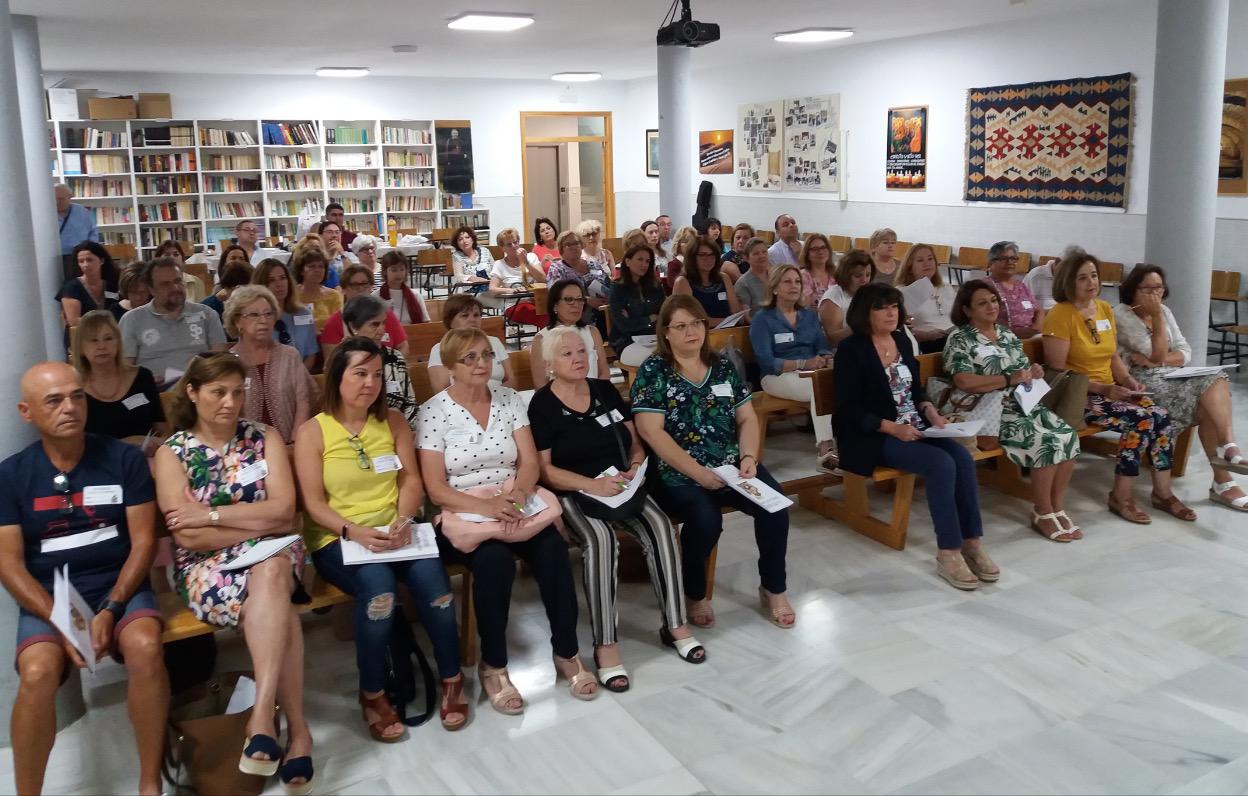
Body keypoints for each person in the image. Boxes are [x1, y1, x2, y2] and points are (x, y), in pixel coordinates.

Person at [0, 362, 168, 796]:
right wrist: (62, 620)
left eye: (76, 396)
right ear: (26, 412)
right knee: (37, 672)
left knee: (146, 648)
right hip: (50, 597)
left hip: (120, 585)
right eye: (53, 400)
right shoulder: (10, 476)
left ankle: (150, 783)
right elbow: (9, 565)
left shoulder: (123, 459)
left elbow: (144, 543)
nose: (70, 407)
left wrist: (112, 607)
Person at [152, 354, 312, 791]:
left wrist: (210, 515)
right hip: (206, 569)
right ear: (192, 393)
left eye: (238, 392)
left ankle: (262, 715)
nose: (230, 402)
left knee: (274, 569)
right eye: (218, 392)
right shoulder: (172, 454)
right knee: (279, 598)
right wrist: (248, 522)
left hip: (273, 552)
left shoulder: (265, 437)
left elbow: (285, 514)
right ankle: (296, 732)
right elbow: (189, 541)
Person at [418, 328, 598, 713]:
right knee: (494, 562)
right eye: (470, 358)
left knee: (552, 550)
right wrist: (486, 508)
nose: (482, 364)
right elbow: (435, 489)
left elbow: (529, 461)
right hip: (464, 511)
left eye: (485, 355)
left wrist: (517, 495)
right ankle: (494, 665)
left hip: (513, 500)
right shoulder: (434, 412)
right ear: (450, 366)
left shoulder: (508, 399)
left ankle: (567, 653)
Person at [294, 338, 466, 737]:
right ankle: (373, 692)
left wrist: (404, 519)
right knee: (380, 592)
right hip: (339, 538)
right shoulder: (313, 432)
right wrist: (353, 530)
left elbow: (410, 479)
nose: (370, 383)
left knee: (437, 589)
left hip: (397, 530)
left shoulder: (392, 421)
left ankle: (452, 679)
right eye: (359, 373)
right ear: (337, 377)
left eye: (376, 375)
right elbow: (313, 504)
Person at [529, 326, 705, 690]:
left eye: (582, 351)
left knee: (661, 527)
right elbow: (545, 469)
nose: (579, 358)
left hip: (622, 484)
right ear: (549, 364)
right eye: (567, 354)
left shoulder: (604, 390)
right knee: (600, 542)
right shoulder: (542, 404)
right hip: (575, 490)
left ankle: (675, 625)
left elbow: (635, 440)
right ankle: (606, 644)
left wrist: (637, 464)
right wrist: (592, 484)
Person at [632, 295, 795, 630]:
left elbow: (747, 419)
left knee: (776, 509)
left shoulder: (721, 366)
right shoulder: (654, 371)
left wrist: (749, 457)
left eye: (696, 323)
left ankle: (773, 588)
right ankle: (695, 593)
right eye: (681, 326)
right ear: (666, 333)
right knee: (705, 520)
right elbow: (652, 433)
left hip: (731, 465)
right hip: (676, 471)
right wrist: (699, 474)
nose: (692, 331)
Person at [833, 283, 997, 590]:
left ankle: (972, 541)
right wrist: (893, 427)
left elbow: (915, 389)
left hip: (915, 425)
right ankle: (948, 551)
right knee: (940, 464)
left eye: (894, 306)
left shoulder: (901, 340)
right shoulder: (851, 350)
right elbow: (850, 409)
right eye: (882, 307)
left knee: (962, 457)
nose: (891, 313)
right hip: (874, 434)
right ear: (864, 313)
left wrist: (930, 411)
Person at [1042, 251, 1191, 524]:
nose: (1091, 283)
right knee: (1141, 420)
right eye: (1082, 278)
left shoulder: (1103, 309)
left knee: (1161, 415)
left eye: (1094, 275)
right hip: (1079, 396)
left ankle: (1163, 492)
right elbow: (1058, 371)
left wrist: (1127, 381)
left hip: (1110, 390)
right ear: (1068, 281)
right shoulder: (1060, 314)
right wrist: (1103, 389)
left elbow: (1111, 356)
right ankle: (1121, 497)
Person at [943, 280, 1083, 541]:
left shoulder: (1006, 334)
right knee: (1048, 442)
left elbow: (1022, 370)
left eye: (994, 301)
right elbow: (963, 381)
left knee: (1068, 435)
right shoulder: (960, 337)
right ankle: (1042, 511)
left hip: (1022, 402)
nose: (991, 307)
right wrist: (1009, 379)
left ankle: (1056, 506)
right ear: (967, 310)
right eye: (982, 303)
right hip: (990, 411)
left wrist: (1033, 372)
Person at [1114, 264, 1248, 511]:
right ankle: (1224, 481)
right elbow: (1155, 351)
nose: (1156, 294)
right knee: (1207, 398)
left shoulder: (1164, 311)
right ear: (1133, 290)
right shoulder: (1122, 314)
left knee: (1216, 378)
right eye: (1148, 289)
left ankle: (1229, 449)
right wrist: (1158, 338)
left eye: (1159, 288)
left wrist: (1161, 358)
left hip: (1169, 373)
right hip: (1142, 382)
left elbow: (1185, 352)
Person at [749, 264, 837, 471]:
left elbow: (822, 346)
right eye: (787, 281)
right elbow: (766, 361)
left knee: (837, 382)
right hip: (776, 376)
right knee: (820, 388)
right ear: (775, 288)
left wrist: (825, 358)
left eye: (797, 281)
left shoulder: (808, 316)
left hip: (810, 372)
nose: (794, 286)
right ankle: (826, 450)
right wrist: (802, 364)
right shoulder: (763, 319)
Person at [226, 286, 318, 445]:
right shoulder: (228, 362)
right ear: (237, 321)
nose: (263, 320)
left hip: (291, 443)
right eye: (254, 315)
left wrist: (295, 443)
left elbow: (304, 401)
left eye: (268, 314)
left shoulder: (290, 355)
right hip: (244, 452)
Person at [118, 257, 228, 389]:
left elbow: (220, 361)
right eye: (165, 284)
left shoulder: (207, 314)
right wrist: (143, 380)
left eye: (178, 281)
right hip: (155, 393)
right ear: (151, 289)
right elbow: (124, 369)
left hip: (198, 390)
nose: (175, 287)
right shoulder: (132, 319)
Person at [75, 310, 167, 454]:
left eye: (108, 338)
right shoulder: (74, 388)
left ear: (118, 342)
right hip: (97, 466)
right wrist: (126, 444)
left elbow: (162, 430)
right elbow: (74, 444)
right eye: (93, 340)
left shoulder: (143, 376)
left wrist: (157, 445)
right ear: (81, 347)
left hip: (145, 461)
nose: (102, 346)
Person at [342, 295, 421, 431]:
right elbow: (342, 407)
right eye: (375, 324)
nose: (382, 330)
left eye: (384, 323)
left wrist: (404, 431)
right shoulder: (342, 359)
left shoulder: (394, 356)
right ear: (353, 326)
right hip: (358, 431)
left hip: (399, 429)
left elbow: (409, 402)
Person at [428, 294, 516, 393]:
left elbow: (510, 380)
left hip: (500, 400)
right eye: (465, 316)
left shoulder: (494, 342)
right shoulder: (439, 349)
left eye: (476, 315)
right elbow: (441, 390)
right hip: (460, 404)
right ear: (450, 321)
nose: (472, 320)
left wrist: (494, 399)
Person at [531, 280, 609, 386]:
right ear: (555, 305)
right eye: (569, 300)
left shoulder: (592, 332)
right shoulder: (541, 339)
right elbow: (540, 384)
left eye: (580, 299)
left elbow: (604, 372)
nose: (576, 305)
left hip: (593, 395)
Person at [320, 264, 408, 358]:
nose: (361, 289)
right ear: (344, 289)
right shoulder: (333, 323)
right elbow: (331, 361)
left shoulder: (386, 314)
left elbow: (403, 346)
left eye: (365, 284)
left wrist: (391, 365)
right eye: (354, 285)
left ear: (371, 287)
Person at [57, 241, 124, 349]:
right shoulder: (72, 287)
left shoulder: (112, 284)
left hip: (111, 338)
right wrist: (105, 322)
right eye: (81, 261)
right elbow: (73, 321)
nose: (85, 265)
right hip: (82, 340)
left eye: (89, 260)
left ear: (101, 260)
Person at [253, 258, 318, 369]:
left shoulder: (303, 313)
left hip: (300, 377)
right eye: (271, 280)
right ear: (261, 286)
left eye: (283, 278)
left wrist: (297, 377)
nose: (279, 284)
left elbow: (311, 354)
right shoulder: (253, 319)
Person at [609, 245, 666, 366]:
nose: (644, 265)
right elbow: (623, 324)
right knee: (653, 360)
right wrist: (650, 318)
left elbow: (664, 314)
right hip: (626, 341)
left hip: (654, 337)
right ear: (628, 261)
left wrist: (635, 319)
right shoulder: (618, 288)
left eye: (647, 261)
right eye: (640, 259)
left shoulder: (655, 287)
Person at [895, 243, 956, 353]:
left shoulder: (946, 287)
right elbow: (900, 330)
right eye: (920, 260)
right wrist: (926, 335)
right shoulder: (901, 292)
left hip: (953, 337)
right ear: (910, 267)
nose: (927, 263)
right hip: (927, 343)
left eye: (930, 259)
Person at [547, 231, 612, 331]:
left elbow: (608, 285)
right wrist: (588, 301)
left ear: (581, 245)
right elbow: (556, 296)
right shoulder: (557, 269)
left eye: (576, 243)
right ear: (561, 248)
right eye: (568, 244)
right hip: (572, 321)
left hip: (604, 315)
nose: (573, 247)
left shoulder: (593, 263)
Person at [672, 237, 742, 326]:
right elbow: (691, 319)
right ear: (692, 257)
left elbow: (735, 312)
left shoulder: (724, 278)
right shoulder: (682, 282)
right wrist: (727, 322)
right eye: (703, 255)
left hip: (728, 332)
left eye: (712, 254)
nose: (708, 259)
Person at [818, 249, 876, 348]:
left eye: (868, 275)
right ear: (846, 275)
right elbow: (832, 340)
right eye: (858, 276)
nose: (864, 280)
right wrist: (861, 326)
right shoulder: (833, 298)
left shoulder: (869, 294)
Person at [987, 240, 1044, 339]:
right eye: (1003, 259)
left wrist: (1036, 327)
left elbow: (1039, 310)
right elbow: (982, 322)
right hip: (1003, 339)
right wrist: (1018, 333)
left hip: (1031, 336)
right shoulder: (985, 287)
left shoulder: (1020, 285)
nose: (1010, 262)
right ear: (990, 263)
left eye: (1013, 258)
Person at [489, 228, 546, 327]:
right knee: (543, 317)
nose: (514, 246)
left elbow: (542, 278)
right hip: (515, 305)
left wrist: (526, 262)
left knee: (555, 313)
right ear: (502, 248)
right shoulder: (499, 264)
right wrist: (512, 290)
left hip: (537, 302)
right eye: (509, 244)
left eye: (516, 242)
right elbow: (492, 289)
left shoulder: (531, 257)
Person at [55, 183, 100, 282]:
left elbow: (93, 232)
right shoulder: (45, 213)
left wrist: (89, 250)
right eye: (55, 199)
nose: (57, 202)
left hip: (79, 257)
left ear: (70, 197)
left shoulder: (81, 212)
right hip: (55, 258)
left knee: (80, 285)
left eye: (61, 199)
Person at [291, 244, 342, 331]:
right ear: (301, 270)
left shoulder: (334, 296)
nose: (317, 270)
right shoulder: (291, 295)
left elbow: (339, 326)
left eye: (321, 266)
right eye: (312, 266)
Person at [378, 251, 429, 325]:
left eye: (402, 269)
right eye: (394, 270)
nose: (399, 274)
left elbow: (425, 323)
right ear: (385, 271)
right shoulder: (376, 296)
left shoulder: (415, 295)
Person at [450, 225, 494, 301]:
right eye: (460, 239)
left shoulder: (485, 251)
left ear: (472, 239)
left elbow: (495, 269)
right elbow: (458, 275)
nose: (464, 241)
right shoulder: (456, 256)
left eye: (467, 237)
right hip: (472, 292)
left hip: (492, 288)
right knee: (505, 303)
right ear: (457, 244)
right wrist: (472, 278)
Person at [733, 237, 772, 316]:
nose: (762, 256)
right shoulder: (743, 284)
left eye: (764, 252)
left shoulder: (776, 276)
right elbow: (746, 317)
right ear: (747, 258)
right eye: (756, 253)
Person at [798, 233, 834, 308]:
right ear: (807, 254)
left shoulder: (836, 274)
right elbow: (806, 309)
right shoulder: (803, 276)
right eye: (815, 249)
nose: (820, 252)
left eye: (823, 247)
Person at [317, 219, 356, 289]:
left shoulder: (351, 256)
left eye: (337, 232)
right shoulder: (315, 257)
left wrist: (342, 254)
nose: (334, 235)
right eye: (329, 232)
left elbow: (353, 277)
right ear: (320, 236)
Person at [641, 220, 671, 289]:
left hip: (666, 285)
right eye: (651, 232)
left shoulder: (666, 254)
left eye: (656, 232)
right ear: (643, 235)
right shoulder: (641, 255)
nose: (654, 235)